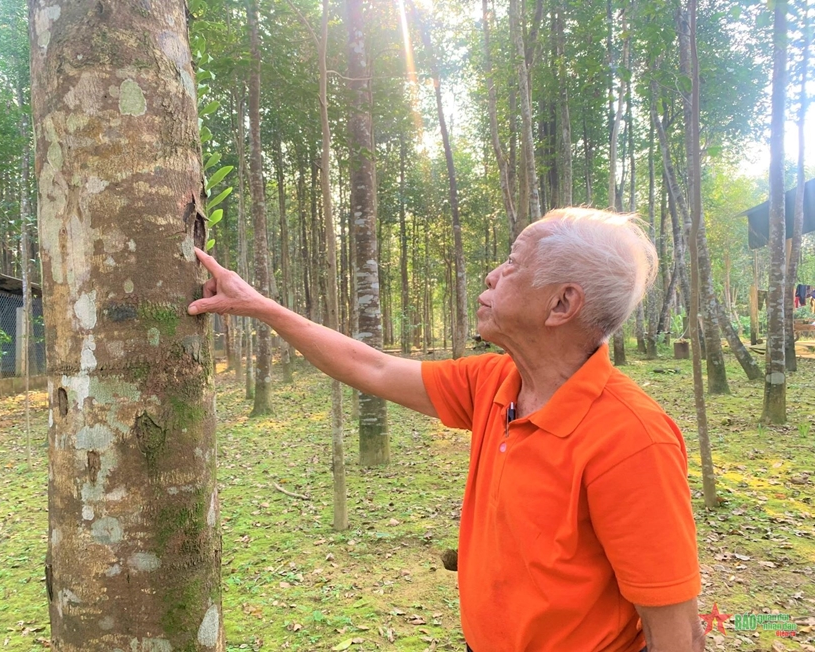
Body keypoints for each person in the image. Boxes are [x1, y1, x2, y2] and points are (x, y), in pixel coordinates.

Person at [188, 207, 704, 652]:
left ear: (562, 304)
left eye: (513, 265)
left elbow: (675, 631)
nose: (491, 275)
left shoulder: (632, 439)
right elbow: (372, 369)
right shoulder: (495, 382)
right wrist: (259, 305)